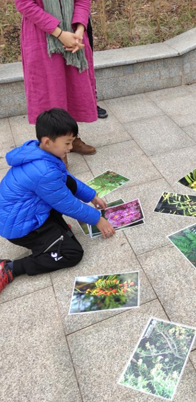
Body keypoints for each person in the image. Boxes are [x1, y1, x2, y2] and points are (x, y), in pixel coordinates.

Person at [5, 0, 97, 166]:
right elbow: (25, 4)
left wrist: (78, 28)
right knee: (50, 92)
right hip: (42, 37)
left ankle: (71, 138)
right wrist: (59, 33)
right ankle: (55, 150)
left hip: (72, 36)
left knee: (74, 88)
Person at [0, 108, 116, 296]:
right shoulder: (43, 172)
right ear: (47, 141)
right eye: (67, 143)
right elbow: (67, 204)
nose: (70, 148)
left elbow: (66, 179)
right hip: (22, 227)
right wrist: (97, 219)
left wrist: (91, 196)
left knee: (64, 183)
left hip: (28, 211)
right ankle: (12, 268)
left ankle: (54, 233)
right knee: (73, 253)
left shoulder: (38, 151)